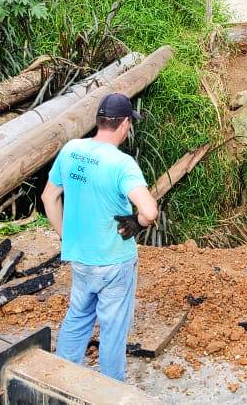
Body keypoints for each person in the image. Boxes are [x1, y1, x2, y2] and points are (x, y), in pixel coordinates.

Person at [41, 93, 159, 381]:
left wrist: (66, 236)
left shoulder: (71, 149)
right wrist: (138, 223)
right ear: (124, 124)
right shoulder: (122, 164)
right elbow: (150, 210)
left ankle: (59, 384)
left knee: (78, 317)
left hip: (80, 258)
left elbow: (49, 196)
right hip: (114, 261)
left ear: (99, 122)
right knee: (113, 331)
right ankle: (110, 391)